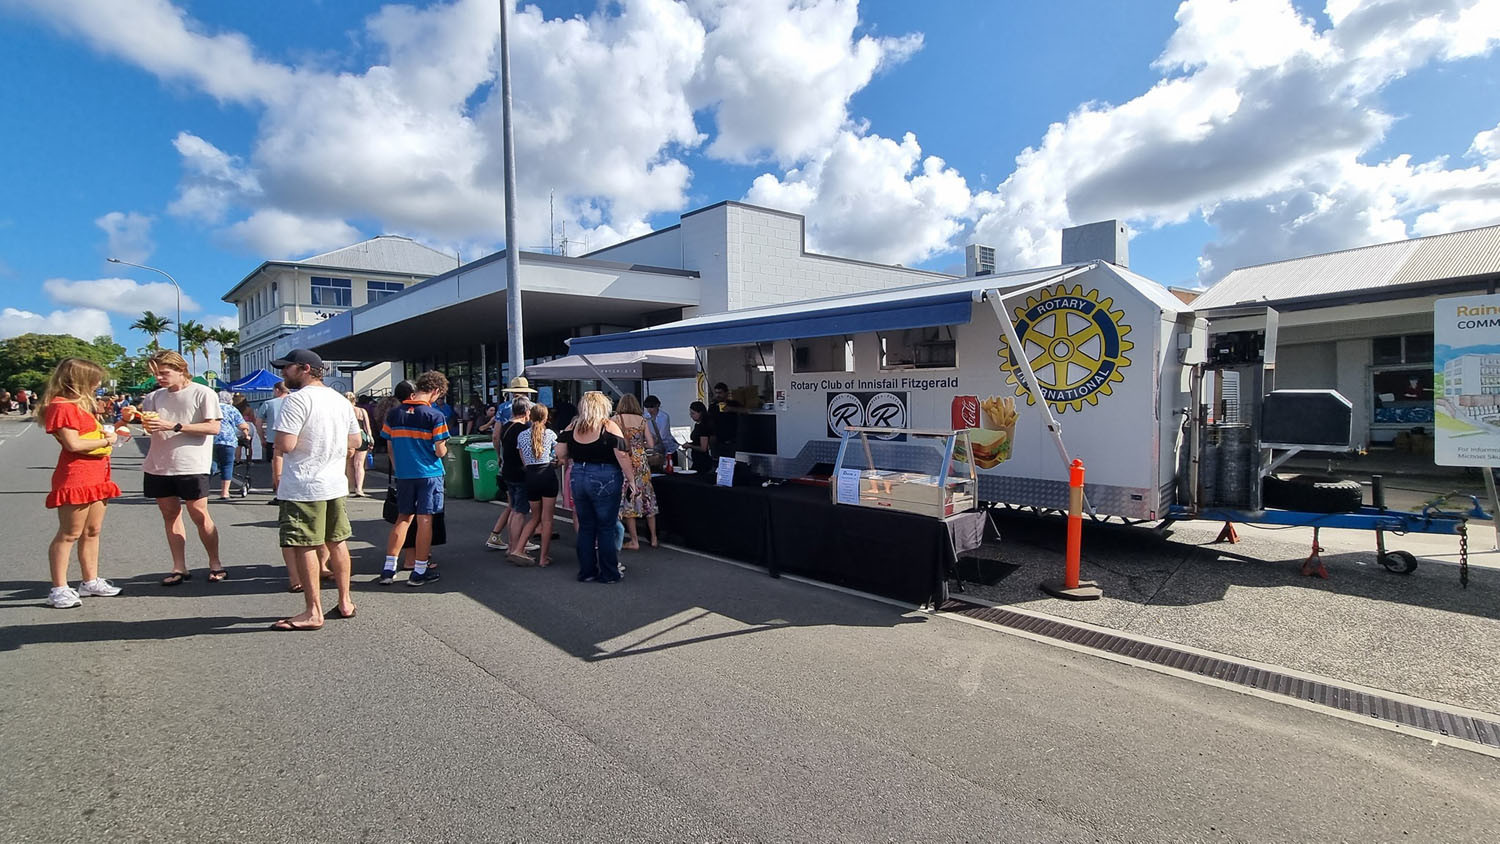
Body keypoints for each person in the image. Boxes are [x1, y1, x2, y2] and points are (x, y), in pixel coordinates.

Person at [268, 349, 361, 630]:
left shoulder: (296, 400)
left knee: (305, 545)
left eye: (287, 368)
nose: (283, 373)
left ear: (305, 368)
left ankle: (313, 612)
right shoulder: (339, 400)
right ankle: (345, 602)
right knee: (338, 542)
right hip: (334, 482)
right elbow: (355, 440)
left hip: (303, 483)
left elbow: (285, 444)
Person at [39, 358, 123, 609]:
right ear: (79, 380)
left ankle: (90, 580)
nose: (98, 384)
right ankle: (59, 588)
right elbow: (73, 444)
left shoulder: (80, 406)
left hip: (97, 475)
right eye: (94, 379)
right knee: (69, 533)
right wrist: (106, 441)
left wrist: (112, 431)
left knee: (92, 531)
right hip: (76, 476)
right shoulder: (61, 406)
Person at [139, 350, 226, 585]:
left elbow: (213, 428)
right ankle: (179, 566)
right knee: (169, 515)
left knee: (199, 514)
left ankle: (215, 563)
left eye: (164, 373)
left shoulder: (203, 393)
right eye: (156, 374)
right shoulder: (154, 397)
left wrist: (174, 425)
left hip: (191, 464)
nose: (159, 378)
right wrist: (143, 423)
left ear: (181, 369)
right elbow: (149, 428)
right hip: (158, 464)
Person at [556, 390, 637, 584]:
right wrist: (632, 481)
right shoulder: (608, 426)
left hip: (578, 475)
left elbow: (559, 451)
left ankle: (587, 571)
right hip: (605, 475)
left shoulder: (574, 426)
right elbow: (622, 455)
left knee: (586, 526)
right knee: (606, 527)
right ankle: (608, 573)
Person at [379, 370, 450, 586]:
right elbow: (440, 451)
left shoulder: (393, 414)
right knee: (425, 519)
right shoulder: (435, 416)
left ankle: (388, 568)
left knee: (403, 518)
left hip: (405, 474)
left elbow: (389, 443)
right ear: (435, 391)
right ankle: (419, 570)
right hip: (429, 473)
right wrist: (444, 448)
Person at [486, 397, 534, 555]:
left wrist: (498, 457)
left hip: (507, 471)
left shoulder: (506, 426)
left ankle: (513, 546)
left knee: (513, 509)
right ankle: (517, 548)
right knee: (520, 511)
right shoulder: (523, 429)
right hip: (520, 473)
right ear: (526, 411)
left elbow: (496, 439)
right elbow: (526, 453)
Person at [514, 403, 559, 566]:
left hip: (531, 475)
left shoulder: (522, 436)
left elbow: (523, 460)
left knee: (534, 517)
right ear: (546, 417)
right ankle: (543, 557)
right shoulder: (550, 434)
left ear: (530, 416)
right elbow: (559, 455)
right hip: (546, 473)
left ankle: (518, 548)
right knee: (547, 520)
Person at [612, 394, 659, 549]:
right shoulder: (642, 420)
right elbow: (651, 444)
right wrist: (639, 445)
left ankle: (634, 541)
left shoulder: (616, 420)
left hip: (626, 460)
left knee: (629, 500)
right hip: (642, 461)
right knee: (647, 498)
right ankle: (653, 538)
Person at [211, 389, 252, 500]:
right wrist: (246, 434)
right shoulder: (232, 409)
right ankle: (224, 493)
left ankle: (203, 491)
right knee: (227, 465)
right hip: (228, 440)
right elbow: (243, 425)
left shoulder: (211, 408)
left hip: (211, 439)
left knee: (211, 465)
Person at [259, 380, 290, 503]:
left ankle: (279, 491)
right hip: (293, 438)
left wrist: (262, 437)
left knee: (276, 466)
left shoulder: (268, 403)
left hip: (273, 439)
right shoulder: (296, 401)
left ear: (277, 390)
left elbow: (258, 422)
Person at [345, 391, 373, 497]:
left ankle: (351, 487)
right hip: (362, 436)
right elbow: (367, 427)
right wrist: (370, 438)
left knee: (350, 464)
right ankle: (359, 489)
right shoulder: (361, 411)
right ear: (354, 400)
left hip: (348, 437)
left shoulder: (344, 411)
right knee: (359, 464)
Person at [642, 395, 678, 469]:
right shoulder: (645, 417)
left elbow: (662, 436)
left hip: (668, 448)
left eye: (651, 407)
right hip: (655, 450)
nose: (649, 409)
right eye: (647, 407)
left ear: (657, 405)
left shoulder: (664, 417)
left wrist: (650, 443)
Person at [708, 382, 742, 458]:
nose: (718, 395)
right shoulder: (713, 406)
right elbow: (709, 422)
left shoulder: (733, 404)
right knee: (716, 464)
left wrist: (730, 409)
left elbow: (746, 411)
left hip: (730, 441)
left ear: (726, 393)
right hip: (716, 442)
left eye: (720, 393)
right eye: (716, 393)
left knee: (728, 465)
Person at [687, 401, 715, 471]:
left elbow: (703, 448)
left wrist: (690, 446)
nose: (691, 415)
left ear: (700, 413)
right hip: (696, 459)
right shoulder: (698, 425)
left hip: (702, 461)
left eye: (693, 413)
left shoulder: (703, 427)